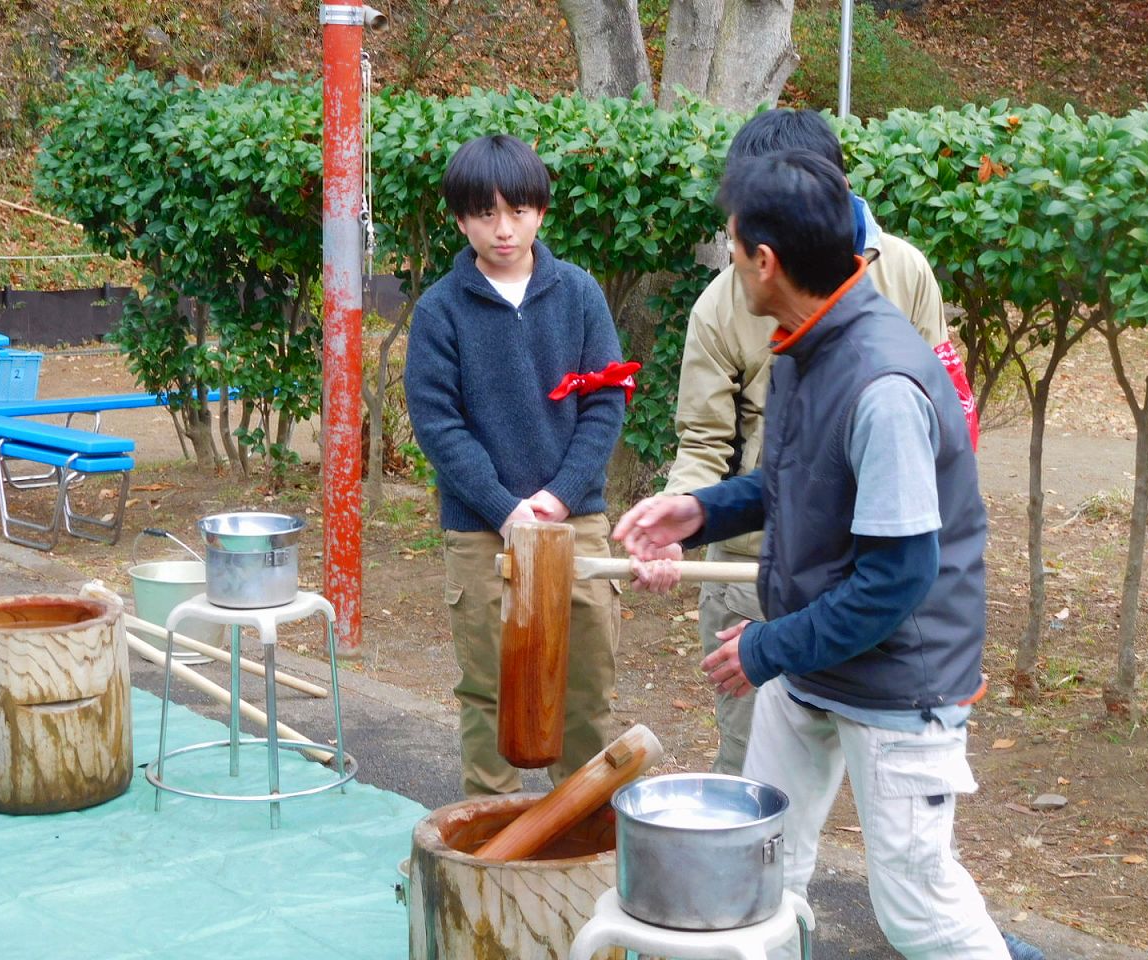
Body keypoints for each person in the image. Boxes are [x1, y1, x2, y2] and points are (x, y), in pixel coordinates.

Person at [616, 149, 1012, 959]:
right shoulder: (806, 336)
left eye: (732, 248)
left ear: (766, 262)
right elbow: (793, 479)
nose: (730, 263)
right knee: (763, 871)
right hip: (814, 662)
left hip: (901, 677)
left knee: (918, 907)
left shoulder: (882, 386)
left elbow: (898, 579)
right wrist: (699, 509)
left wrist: (766, 647)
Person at [663, 108, 965, 776]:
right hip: (759, 574)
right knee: (760, 791)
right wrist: (686, 518)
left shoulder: (898, 288)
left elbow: (938, 434)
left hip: (878, 592)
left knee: (907, 855)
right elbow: (710, 442)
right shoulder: (733, 306)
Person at [404, 134, 627, 797]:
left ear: (542, 212)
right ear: (459, 218)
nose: (504, 229)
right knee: (488, 691)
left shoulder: (580, 294)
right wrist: (506, 509)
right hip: (481, 532)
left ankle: (585, 828)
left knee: (586, 690)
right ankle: (490, 840)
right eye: (485, 214)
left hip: (577, 524)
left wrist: (557, 498)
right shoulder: (440, 310)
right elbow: (438, 425)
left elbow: (606, 402)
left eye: (519, 210)